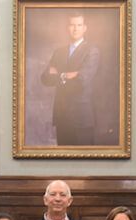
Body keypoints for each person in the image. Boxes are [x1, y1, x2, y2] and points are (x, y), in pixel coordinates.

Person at [40, 12, 100, 145]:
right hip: (62, 116)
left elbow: (82, 80)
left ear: (85, 28)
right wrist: (69, 74)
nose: (75, 28)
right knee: (63, 162)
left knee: (84, 163)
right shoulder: (59, 52)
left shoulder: (92, 51)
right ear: (67, 28)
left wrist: (59, 74)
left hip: (81, 118)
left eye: (79, 25)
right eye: (72, 25)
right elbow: (45, 78)